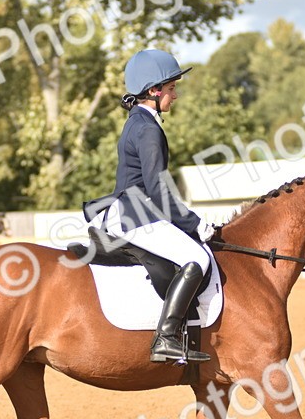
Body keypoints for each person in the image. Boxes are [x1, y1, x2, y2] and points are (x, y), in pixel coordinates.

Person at [87, 49, 215, 364]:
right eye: (171, 89)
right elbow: (158, 188)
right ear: (154, 91)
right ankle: (167, 338)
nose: (176, 95)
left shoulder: (140, 121)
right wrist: (194, 223)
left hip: (131, 210)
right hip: (135, 214)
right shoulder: (147, 128)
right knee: (197, 256)